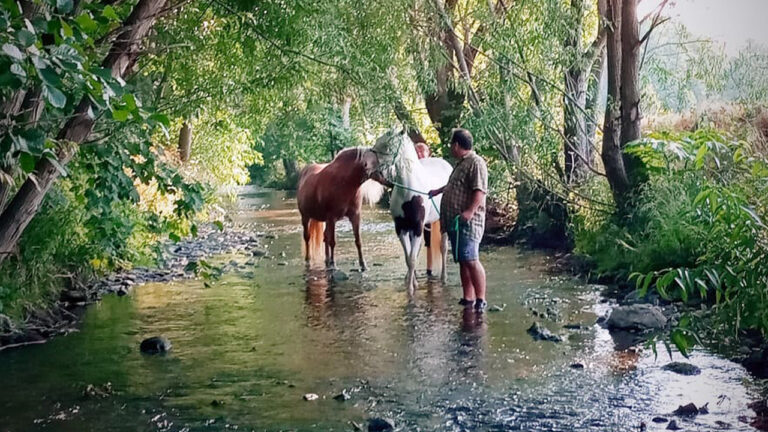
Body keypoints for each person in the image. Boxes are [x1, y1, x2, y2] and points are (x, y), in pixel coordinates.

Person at [428, 128, 488, 311]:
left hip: (469, 222)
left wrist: (469, 211)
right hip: (456, 221)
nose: (450, 148)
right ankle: (468, 297)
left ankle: (481, 299)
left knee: (471, 259)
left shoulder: (476, 163)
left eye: (451, 144)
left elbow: (479, 190)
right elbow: (454, 185)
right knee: (463, 260)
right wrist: (437, 191)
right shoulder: (461, 163)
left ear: (456, 145)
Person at [414, 142, 435, 276]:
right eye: (417, 152)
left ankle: (429, 269)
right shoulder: (412, 169)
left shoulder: (433, 167)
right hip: (414, 208)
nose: (420, 154)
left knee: (430, 239)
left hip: (429, 207)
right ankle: (413, 267)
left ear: (428, 153)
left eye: (423, 151)